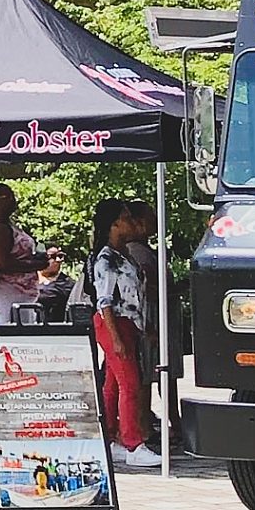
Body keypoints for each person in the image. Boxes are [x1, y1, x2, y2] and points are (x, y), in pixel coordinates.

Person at [87, 198, 161, 468]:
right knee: (130, 382)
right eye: (127, 218)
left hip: (128, 322)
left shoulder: (121, 255)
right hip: (114, 322)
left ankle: (108, 437)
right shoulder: (106, 258)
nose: (132, 223)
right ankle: (133, 443)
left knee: (114, 383)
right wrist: (115, 336)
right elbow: (104, 299)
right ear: (115, 224)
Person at [127, 198, 183, 448]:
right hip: (151, 316)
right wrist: (167, 290)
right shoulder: (134, 251)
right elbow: (143, 285)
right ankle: (144, 425)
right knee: (149, 371)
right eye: (149, 217)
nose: (154, 221)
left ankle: (172, 420)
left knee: (165, 371)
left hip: (163, 314)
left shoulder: (146, 249)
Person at [0, 183, 61, 324]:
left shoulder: (10, 225)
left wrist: (37, 258)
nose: (12, 200)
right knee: (17, 335)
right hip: (10, 293)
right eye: (6, 197)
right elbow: (0, 263)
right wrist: (34, 265)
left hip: (24, 293)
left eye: (13, 196)